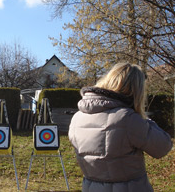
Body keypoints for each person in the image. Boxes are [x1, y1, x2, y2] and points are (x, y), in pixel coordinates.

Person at [68, 63, 173, 192]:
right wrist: (145, 119)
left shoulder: (77, 117)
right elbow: (163, 147)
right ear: (136, 90)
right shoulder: (127, 118)